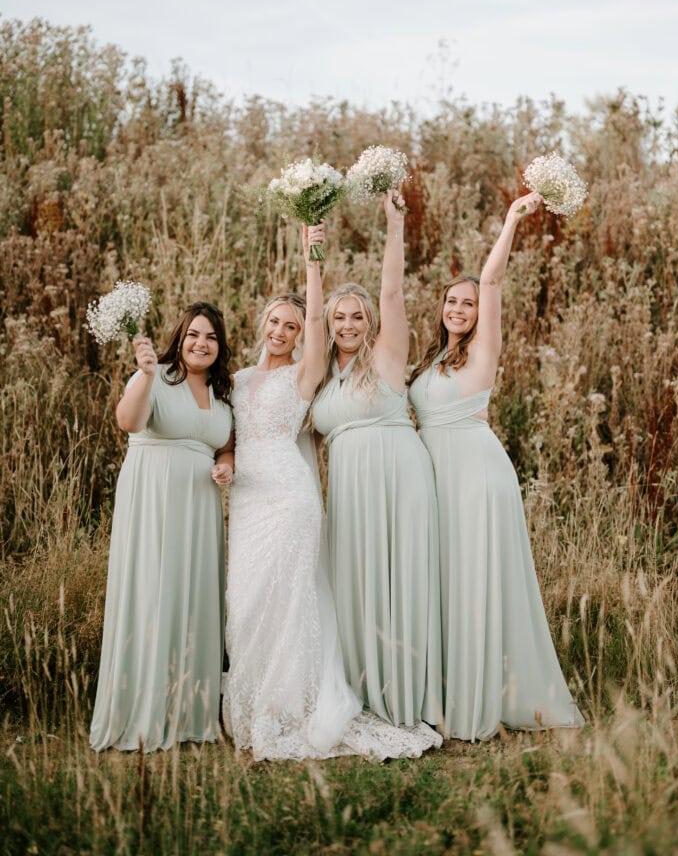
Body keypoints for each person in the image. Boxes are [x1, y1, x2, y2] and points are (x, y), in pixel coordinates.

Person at [222, 222, 441, 760]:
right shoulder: (241, 379)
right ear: (262, 323)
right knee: (248, 599)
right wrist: (225, 459)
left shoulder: (308, 371)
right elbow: (230, 434)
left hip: (297, 497)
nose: (281, 330)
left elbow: (375, 301)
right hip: (251, 500)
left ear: (304, 334)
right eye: (275, 321)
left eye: (292, 325)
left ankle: (299, 699)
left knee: (295, 597)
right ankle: (257, 697)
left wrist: (312, 259)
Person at [408, 192, 585, 741]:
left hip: (476, 476)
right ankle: (445, 691)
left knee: (475, 580)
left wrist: (511, 219)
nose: (459, 310)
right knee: (447, 582)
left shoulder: (485, 348)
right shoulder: (434, 358)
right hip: (437, 478)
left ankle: (483, 698)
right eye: (451, 302)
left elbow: (492, 280)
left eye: (468, 304)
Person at [311, 193, 443, 729]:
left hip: (398, 474)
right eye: (339, 317)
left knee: (400, 578)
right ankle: (363, 687)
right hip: (348, 489)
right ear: (328, 323)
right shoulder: (322, 377)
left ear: (370, 321)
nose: (348, 325)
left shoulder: (388, 356)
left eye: (357, 316)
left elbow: (391, 290)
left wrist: (394, 225)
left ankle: (409, 692)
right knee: (356, 584)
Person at [90, 302, 234, 751]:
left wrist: (227, 465)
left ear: (220, 346)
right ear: (180, 337)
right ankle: (140, 710)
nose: (201, 344)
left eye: (211, 337)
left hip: (200, 509)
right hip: (152, 500)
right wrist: (147, 374)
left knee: (193, 596)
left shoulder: (222, 391)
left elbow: (225, 444)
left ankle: (189, 712)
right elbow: (128, 421)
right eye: (194, 334)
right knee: (152, 593)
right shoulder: (155, 375)